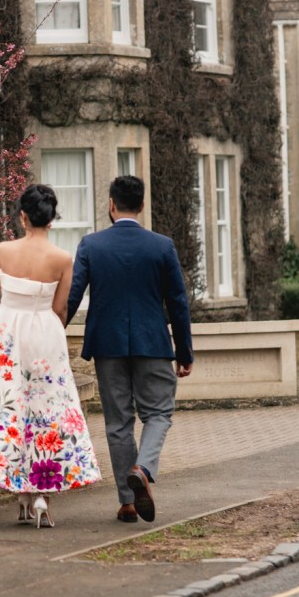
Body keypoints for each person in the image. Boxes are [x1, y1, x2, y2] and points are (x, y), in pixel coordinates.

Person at [0, 184, 101, 528]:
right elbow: (62, 306)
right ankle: (41, 496)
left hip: (6, 334)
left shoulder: (4, 249)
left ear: (22, 216)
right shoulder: (62, 258)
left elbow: (1, 288)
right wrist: (49, 331)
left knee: (10, 407)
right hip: (45, 334)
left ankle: (21, 497)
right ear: (52, 220)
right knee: (46, 411)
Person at [67, 175, 193, 524]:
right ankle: (144, 467)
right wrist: (185, 352)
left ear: (111, 204)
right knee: (158, 414)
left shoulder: (91, 245)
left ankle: (127, 502)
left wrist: (49, 335)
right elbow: (178, 303)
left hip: (107, 347)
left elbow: (72, 299)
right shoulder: (162, 246)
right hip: (152, 343)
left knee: (118, 423)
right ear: (141, 205)